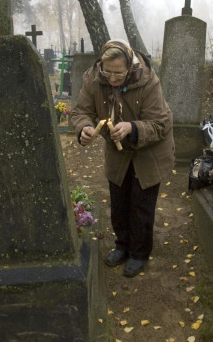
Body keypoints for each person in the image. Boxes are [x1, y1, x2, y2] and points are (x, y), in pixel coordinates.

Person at [71, 39, 175, 277]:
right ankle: (122, 245)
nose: (112, 78)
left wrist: (132, 128)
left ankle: (139, 253)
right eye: (107, 72)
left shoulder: (148, 81)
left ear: (129, 66)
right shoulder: (93, 78)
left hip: (149, 150)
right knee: (119, 201)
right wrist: (84, 127)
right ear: (101, 64)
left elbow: (160, 123)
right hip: (118, 151)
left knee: (141, 203)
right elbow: (81, 111)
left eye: (118, 73)